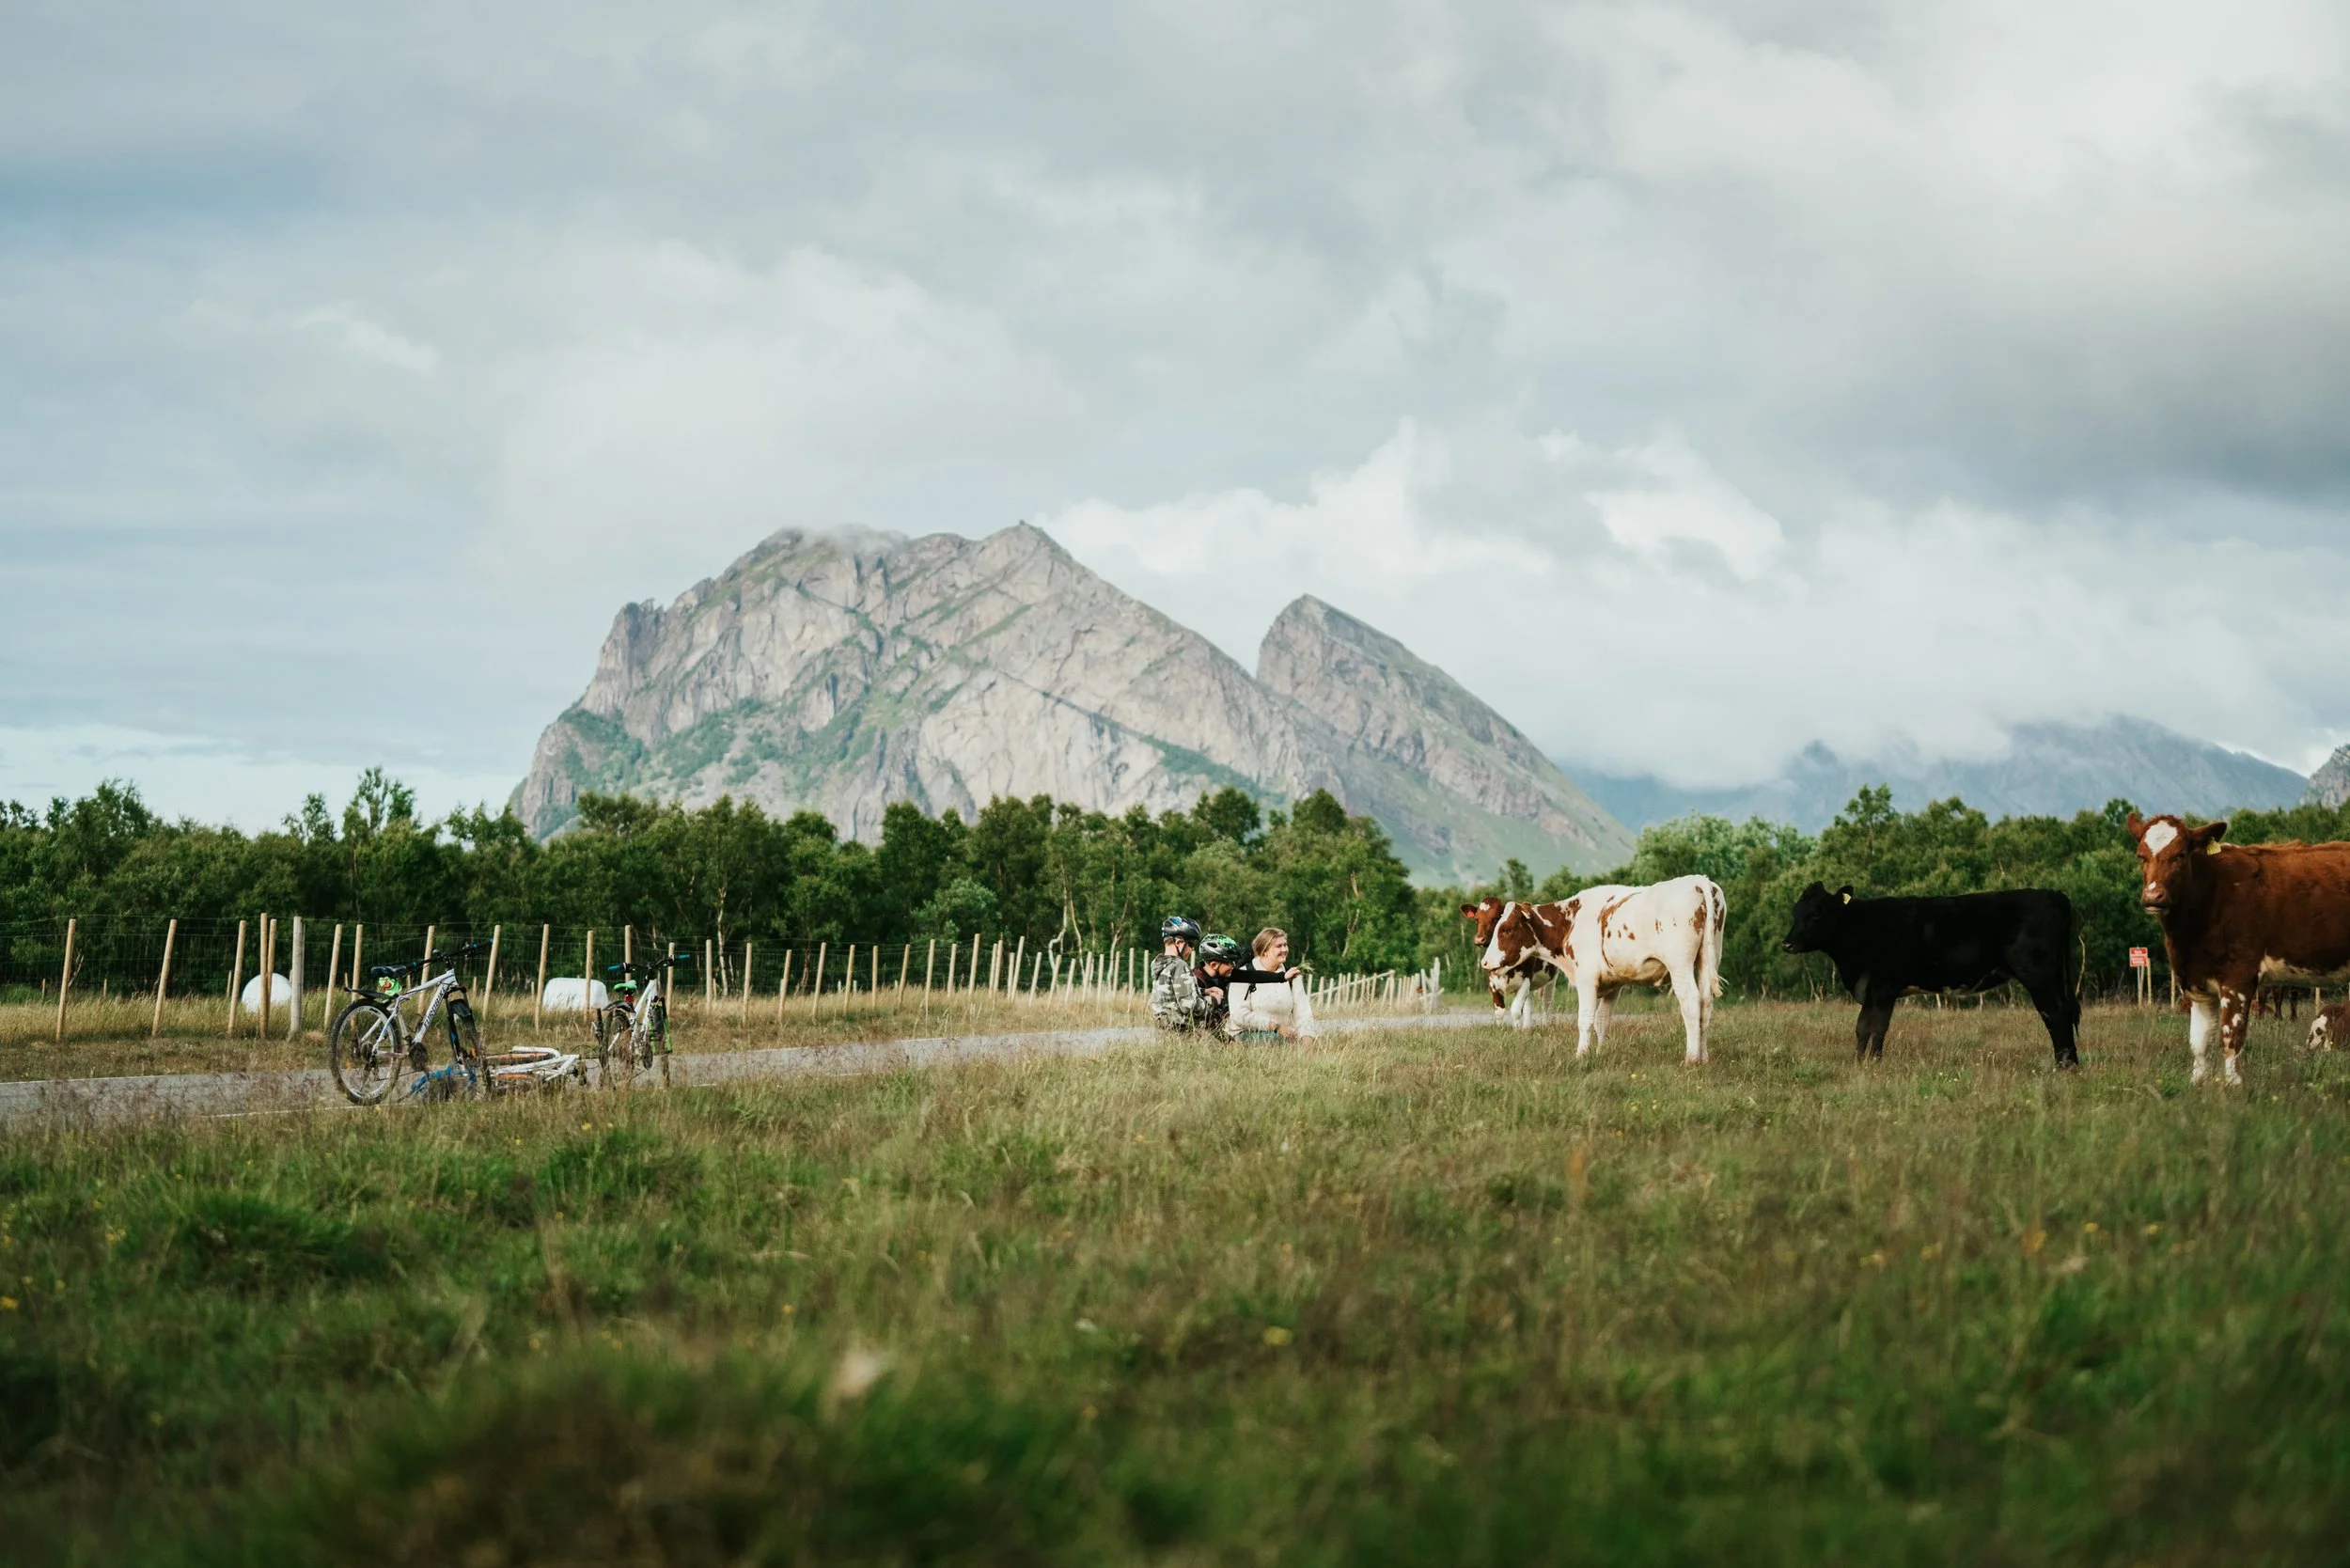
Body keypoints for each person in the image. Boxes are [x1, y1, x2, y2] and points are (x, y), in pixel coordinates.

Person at [1150, 916, 1212, 1031]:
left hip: (1164, 1031)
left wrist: (1203, 992)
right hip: (1181, 1032)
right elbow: (1189, 1006)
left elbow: (1173, 994)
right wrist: (1212, 1001)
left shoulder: (1162, 965)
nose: (1192, 949)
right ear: (1178, 943)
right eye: (1191, 944)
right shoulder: (1179, 965)